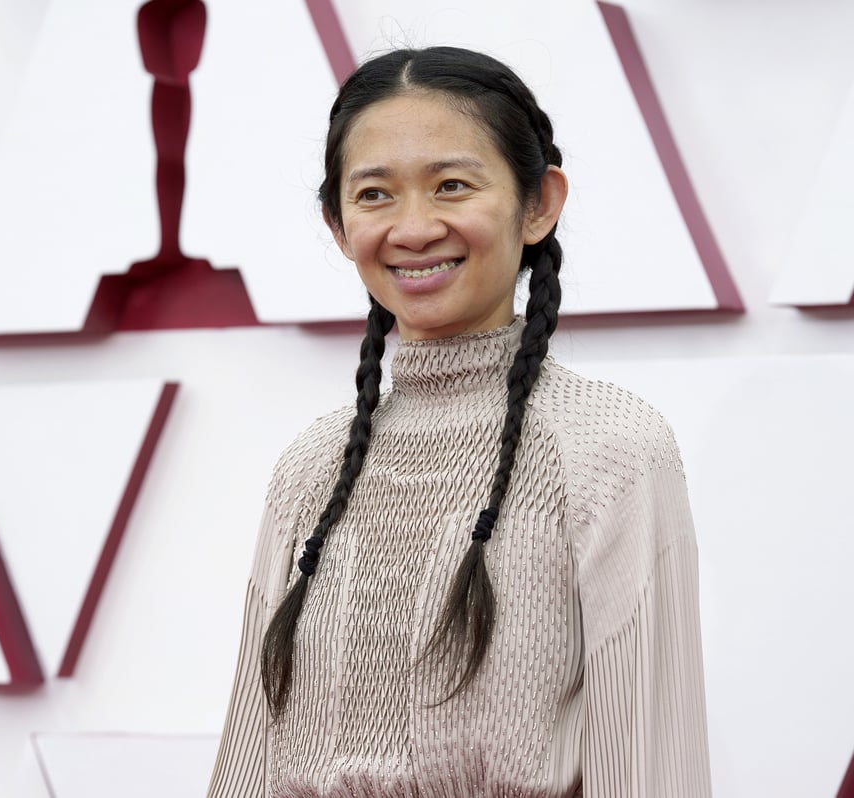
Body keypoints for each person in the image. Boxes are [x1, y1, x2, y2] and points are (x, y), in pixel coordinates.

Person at [207, 46, 712, 797]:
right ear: (339, 226)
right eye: (374, 194)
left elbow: (652, 768)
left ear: (538, 202)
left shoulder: (610, 450)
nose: (413, 228)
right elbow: (249, 766)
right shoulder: (311, 469)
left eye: (451, 185)